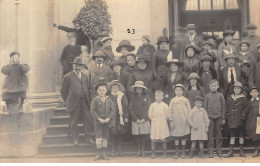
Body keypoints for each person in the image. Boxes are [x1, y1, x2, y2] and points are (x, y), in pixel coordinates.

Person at [60, 57, 94, 146]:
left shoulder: (85, 76)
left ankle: (89, 137)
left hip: (84, 102)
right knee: (74, 122)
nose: (78, 67)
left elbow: (87, 89)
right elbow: (63, 91)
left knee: (88, 119)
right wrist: (68, 100)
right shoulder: (68, 76)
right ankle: (75, 139)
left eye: (80, 65)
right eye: (76, 65)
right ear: (73, 65)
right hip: (74, 103)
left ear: (82, 66)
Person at [90, 81, 116, 160]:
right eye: (100, 90)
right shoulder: (95, 100)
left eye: (103, 90)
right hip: (98, 122)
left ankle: (104, 153)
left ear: (106, 91)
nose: (102, 92)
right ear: (97, 91)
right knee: (98, 137)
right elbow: (92, 111)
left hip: (106, 122)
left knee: (105, 137)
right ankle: (99, 153)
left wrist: (108, 118)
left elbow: (113, 110)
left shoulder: (109, 99)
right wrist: (99, 119)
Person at [224, 82, 248, 158]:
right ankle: (231, 151)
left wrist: (242, 117)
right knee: (232, 136)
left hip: (240, 120)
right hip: (232, 120)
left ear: (241, 89)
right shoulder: (230, 98)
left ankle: (241, 150)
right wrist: (228, 116)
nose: (237, 90)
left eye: (239, 88)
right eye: (235, 88)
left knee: (241, 136)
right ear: (233, 89)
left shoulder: (244, 98)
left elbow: (245, 109)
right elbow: (227, 108)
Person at [129, 81, 151, 158]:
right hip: (136, 120)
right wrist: (136, 119)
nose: (138, 90)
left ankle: (143, 150)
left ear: (143, 89)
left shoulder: (147, 97)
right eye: (137, 88)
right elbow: (131, 109)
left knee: (144, 135)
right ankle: (138, 150)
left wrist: (144, 118)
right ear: (135, 89)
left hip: (144, 119)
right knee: (137, 135)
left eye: (140, 88)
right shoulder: (133, 97)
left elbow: (149, 108)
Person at [204, 79, 225, 158]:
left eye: (215, 86)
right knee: (210, 134)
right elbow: (205, 108)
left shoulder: (220, 95)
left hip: (219, 117)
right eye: (212, 86)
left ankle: (219, 151)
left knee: (219, 134)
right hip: (210, 118)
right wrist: (206, 119)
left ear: (218, 86)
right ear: (209, 87)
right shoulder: (207, 96)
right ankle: (210, 151)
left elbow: (223, 107)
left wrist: (223, 118)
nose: (213, 87)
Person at [169, 84, 192, 159]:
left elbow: (189, 111)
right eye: (177, 90)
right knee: (176, 137)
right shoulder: (173, 100)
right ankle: (177, 152)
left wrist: (189, 120)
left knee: (183, 137)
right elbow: (170, 111)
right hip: (176, 121)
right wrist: (171, 121)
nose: (178, 92)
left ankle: (183, 152)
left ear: (182, 91)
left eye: (180, 90)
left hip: (184, 121)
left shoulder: (185, 100)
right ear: (175, 91)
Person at [107, 80, 129, 157]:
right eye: (113, 87)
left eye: (116, 87)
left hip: (120, 117)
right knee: (112, 134)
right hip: (112, 117)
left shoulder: (122, 96)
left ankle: (120, 149)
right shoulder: (109, 96)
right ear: (111, 88)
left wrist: (126, 116)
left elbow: (126, 107)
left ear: (119, 88)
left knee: (119, 133)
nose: (115, 89)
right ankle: (113, 149)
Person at [148, 90, 170, 159]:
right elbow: (150, 114)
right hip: (154, 123)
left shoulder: (165, 105)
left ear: (162, 97)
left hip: (162, 123)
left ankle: (164, 153)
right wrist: (154, 120)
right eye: (156, 96)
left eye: (160, 96)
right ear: (154, 96)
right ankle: (153, 153)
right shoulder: (152, 105)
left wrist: (162, 120)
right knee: (153, 138)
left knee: (163, 138)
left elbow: (167, 115)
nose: (158, 97)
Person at [245, 86, 260, 157]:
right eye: (252, 92)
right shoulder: (249, 102)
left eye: (256, 92)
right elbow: (246, 111)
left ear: (258, 93)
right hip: (251, 120)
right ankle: (256, 149)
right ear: (250, 94)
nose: (254, 93)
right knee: (254, 135)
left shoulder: (259, 101)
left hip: (259, 120)